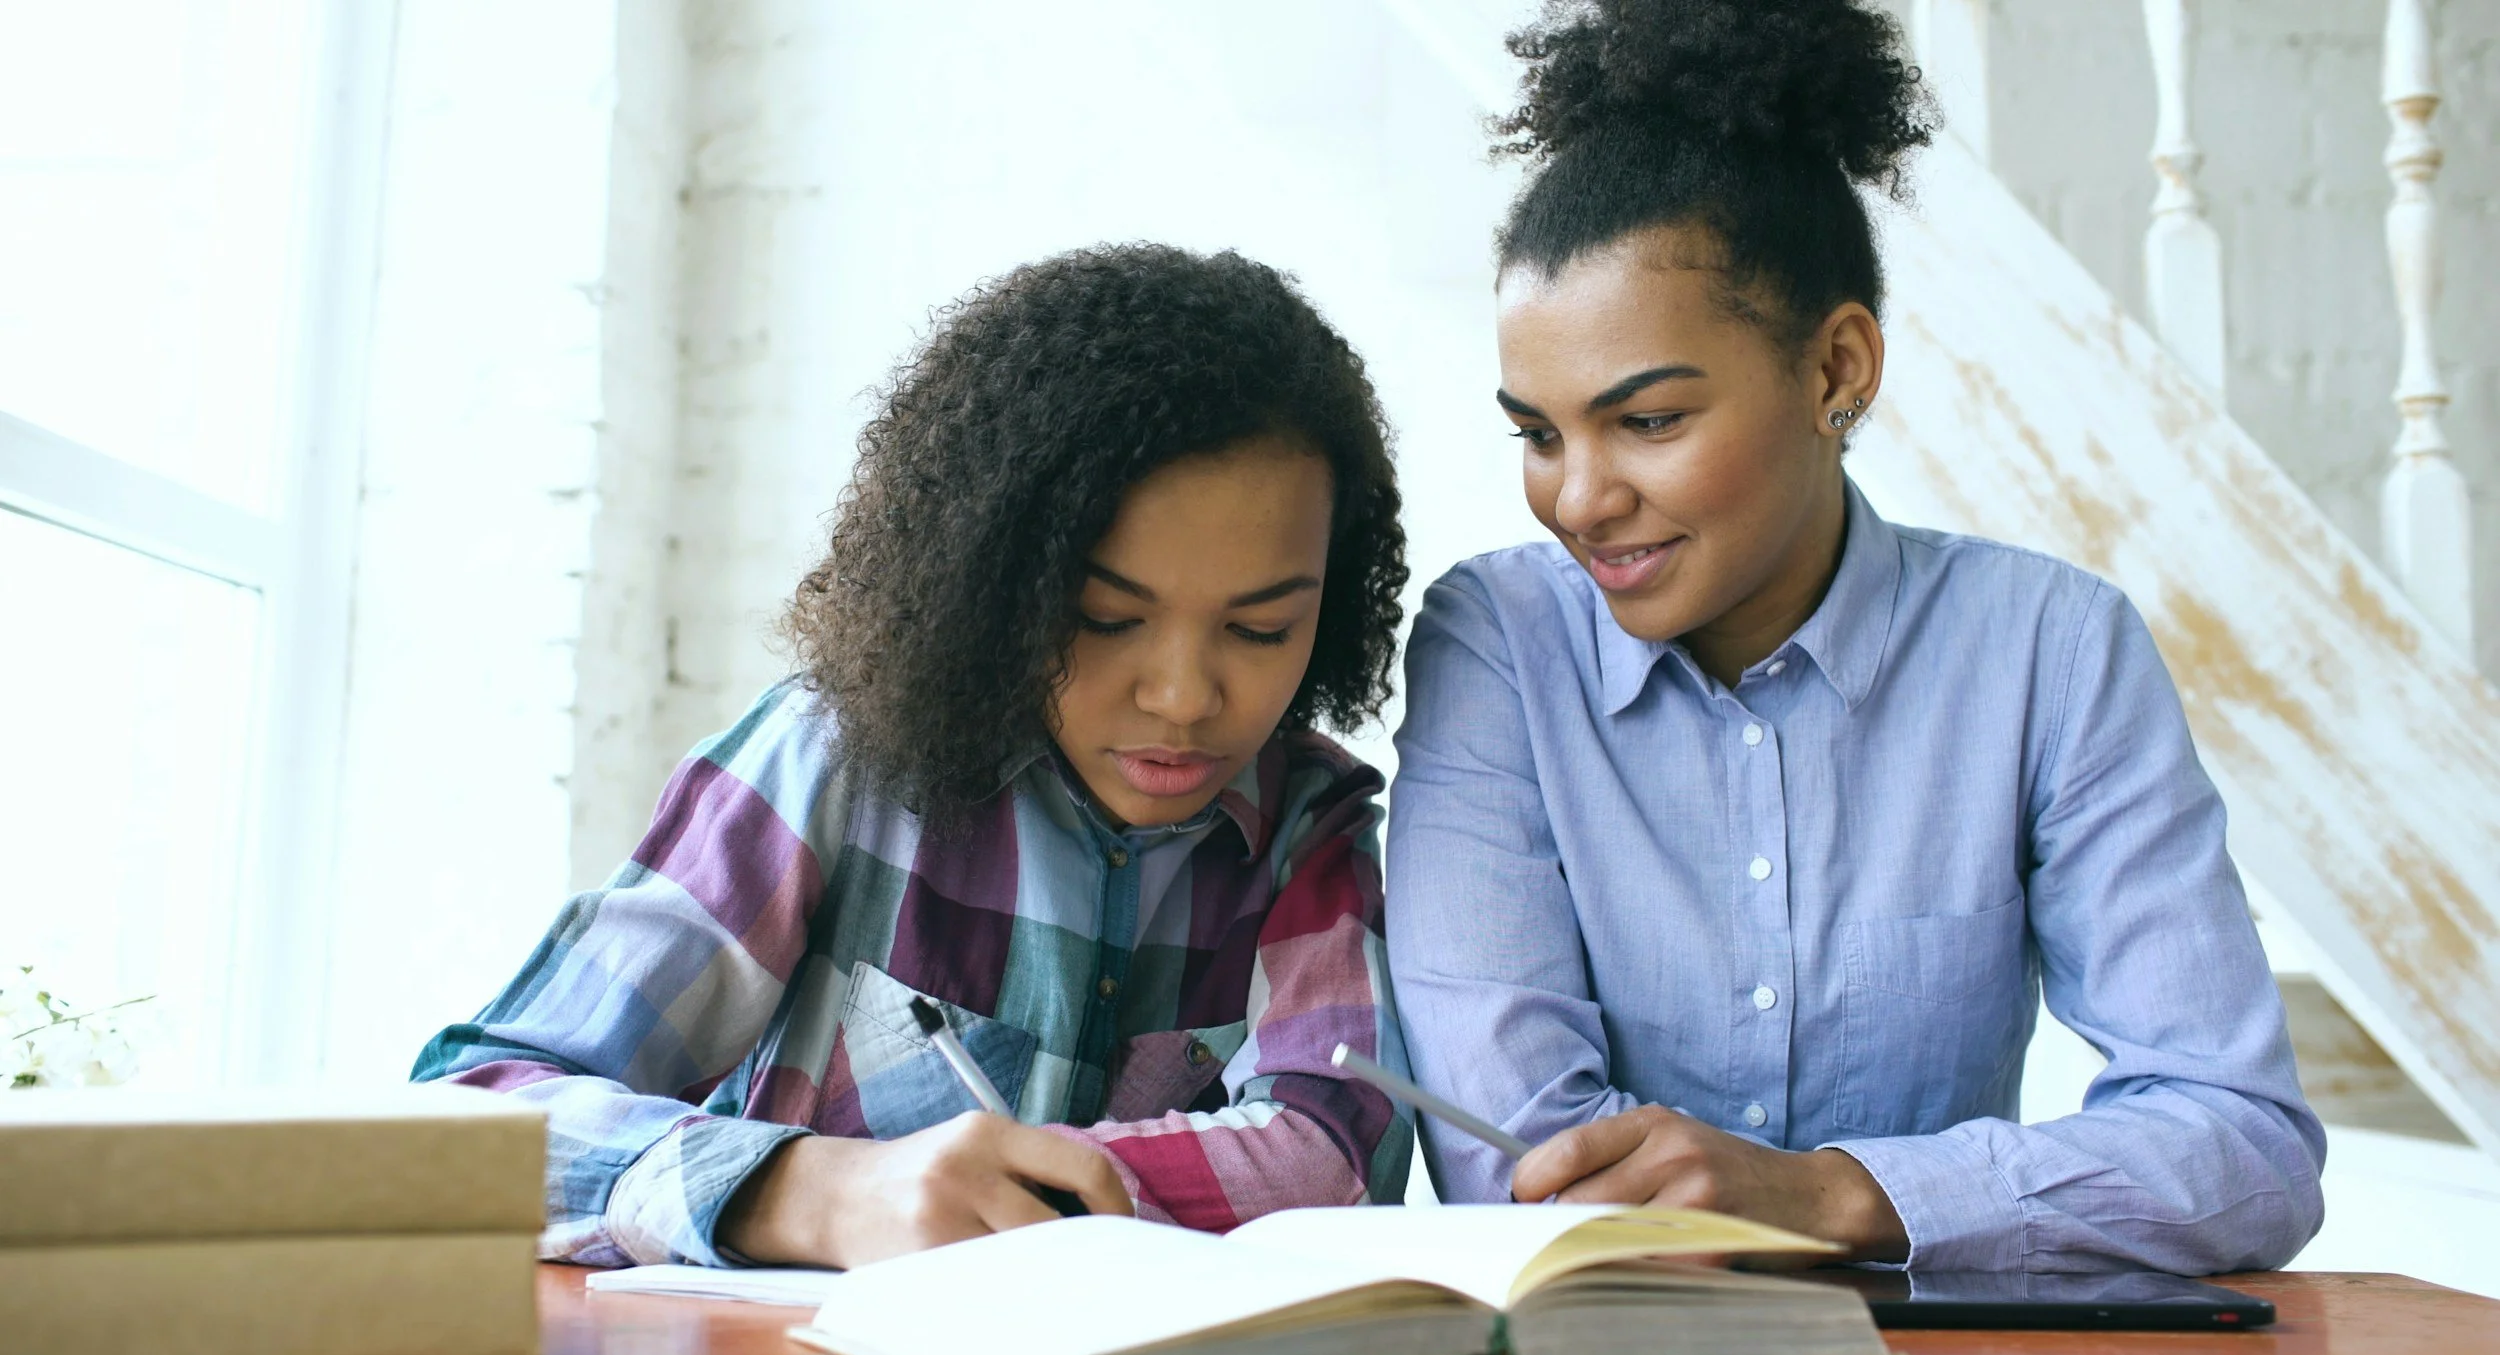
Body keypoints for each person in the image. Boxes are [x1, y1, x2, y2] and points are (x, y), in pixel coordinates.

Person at [1386, 0, 2323, 1273]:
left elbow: (2241, 1148)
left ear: (1836, 368)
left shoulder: (2050, 650)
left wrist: (1829, 1192)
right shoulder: (1495, 643)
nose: (1580, 497)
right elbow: (1524, 1161)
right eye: (1538, 433)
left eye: (1648, 420)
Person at [416, 244, 1414, 1269]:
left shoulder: (1310, 826)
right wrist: (803, 1188)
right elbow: (466, 1118)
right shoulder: (832, 763)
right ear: (998, 583)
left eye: (1260, 631)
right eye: (1105, 617)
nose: (1184, 696)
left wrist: (1000, 1190)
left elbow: (1334, 1156)